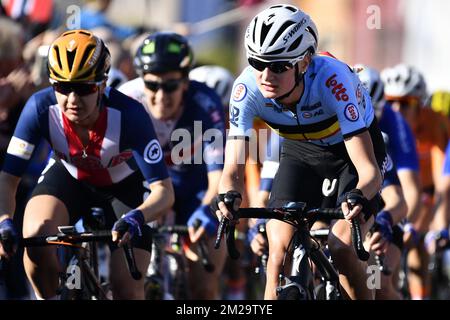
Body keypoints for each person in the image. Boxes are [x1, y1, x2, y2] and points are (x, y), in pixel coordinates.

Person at [212, 4, 386, 300]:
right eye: (257, 62)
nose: (266, 75)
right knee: (276, 251)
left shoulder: (334, 81)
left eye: (279, 66)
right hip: (300, 152)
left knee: (341, 247)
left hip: (350, 156)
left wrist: (358, 195)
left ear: (304, 62)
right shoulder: (246, 88)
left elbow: (368, 172)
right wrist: (228, 197)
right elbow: (232, 170)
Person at [0, 29, 174, 300]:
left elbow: (164, 191)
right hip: (70, 178)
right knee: (35, 239)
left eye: (84, 88)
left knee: (127, 287)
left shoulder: (130, 115)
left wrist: (138, 216)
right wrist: (3, 221)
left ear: (102, 85)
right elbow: (8, 178)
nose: (72, 99)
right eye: (62, 87)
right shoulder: (38, 108)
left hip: (124, 189)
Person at [119, 32, 227, 299]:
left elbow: (219, 178)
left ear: (186, 82)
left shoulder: (205, 104)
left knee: (204, 284)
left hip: (192, 188)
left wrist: (207, 210)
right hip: (144, 189)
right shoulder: (126, 100)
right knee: (130, 284)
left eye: (170, 86)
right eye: (152, 85)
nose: (160, 96)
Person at [382, 64, 449, 299]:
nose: (397, 109)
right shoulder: (383, 123)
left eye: (406, 103)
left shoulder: (435, 124)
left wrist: (426, 227)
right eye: (391, 101)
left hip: (431, 192)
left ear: (420, 105)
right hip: (398, 190)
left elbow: (443, 185)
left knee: (418, 242)